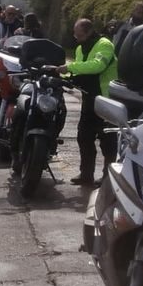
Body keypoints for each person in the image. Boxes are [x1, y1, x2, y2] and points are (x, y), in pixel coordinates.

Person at [59, 19, 119, 187]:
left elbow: (97, 66)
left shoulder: (104, 44)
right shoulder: (79, 48)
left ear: (89, 32)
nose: (76, 38)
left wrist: (70, 68)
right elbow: (81, 70)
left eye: (79, 35)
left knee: (108, 141)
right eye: (75, 34)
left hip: (106, 99)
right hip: (89, 98)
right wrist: (63, 76)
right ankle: (86, 174)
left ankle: (108, 177)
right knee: (83, 136)